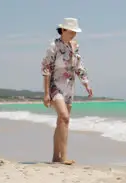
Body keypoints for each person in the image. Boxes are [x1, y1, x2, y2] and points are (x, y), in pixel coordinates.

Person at [41, 18, 93, 164]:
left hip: (69, 87)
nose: (74, 34)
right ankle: (64, 157)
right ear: (63, 30)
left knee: (62, 122)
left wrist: (86, 84)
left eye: (75, 32)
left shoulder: (75, 46)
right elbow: (46, 69)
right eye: (72, 31)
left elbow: (79, 67)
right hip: (55, 86)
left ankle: (55, 158)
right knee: (64, 117)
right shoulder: (53, 46)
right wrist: (46, 94)